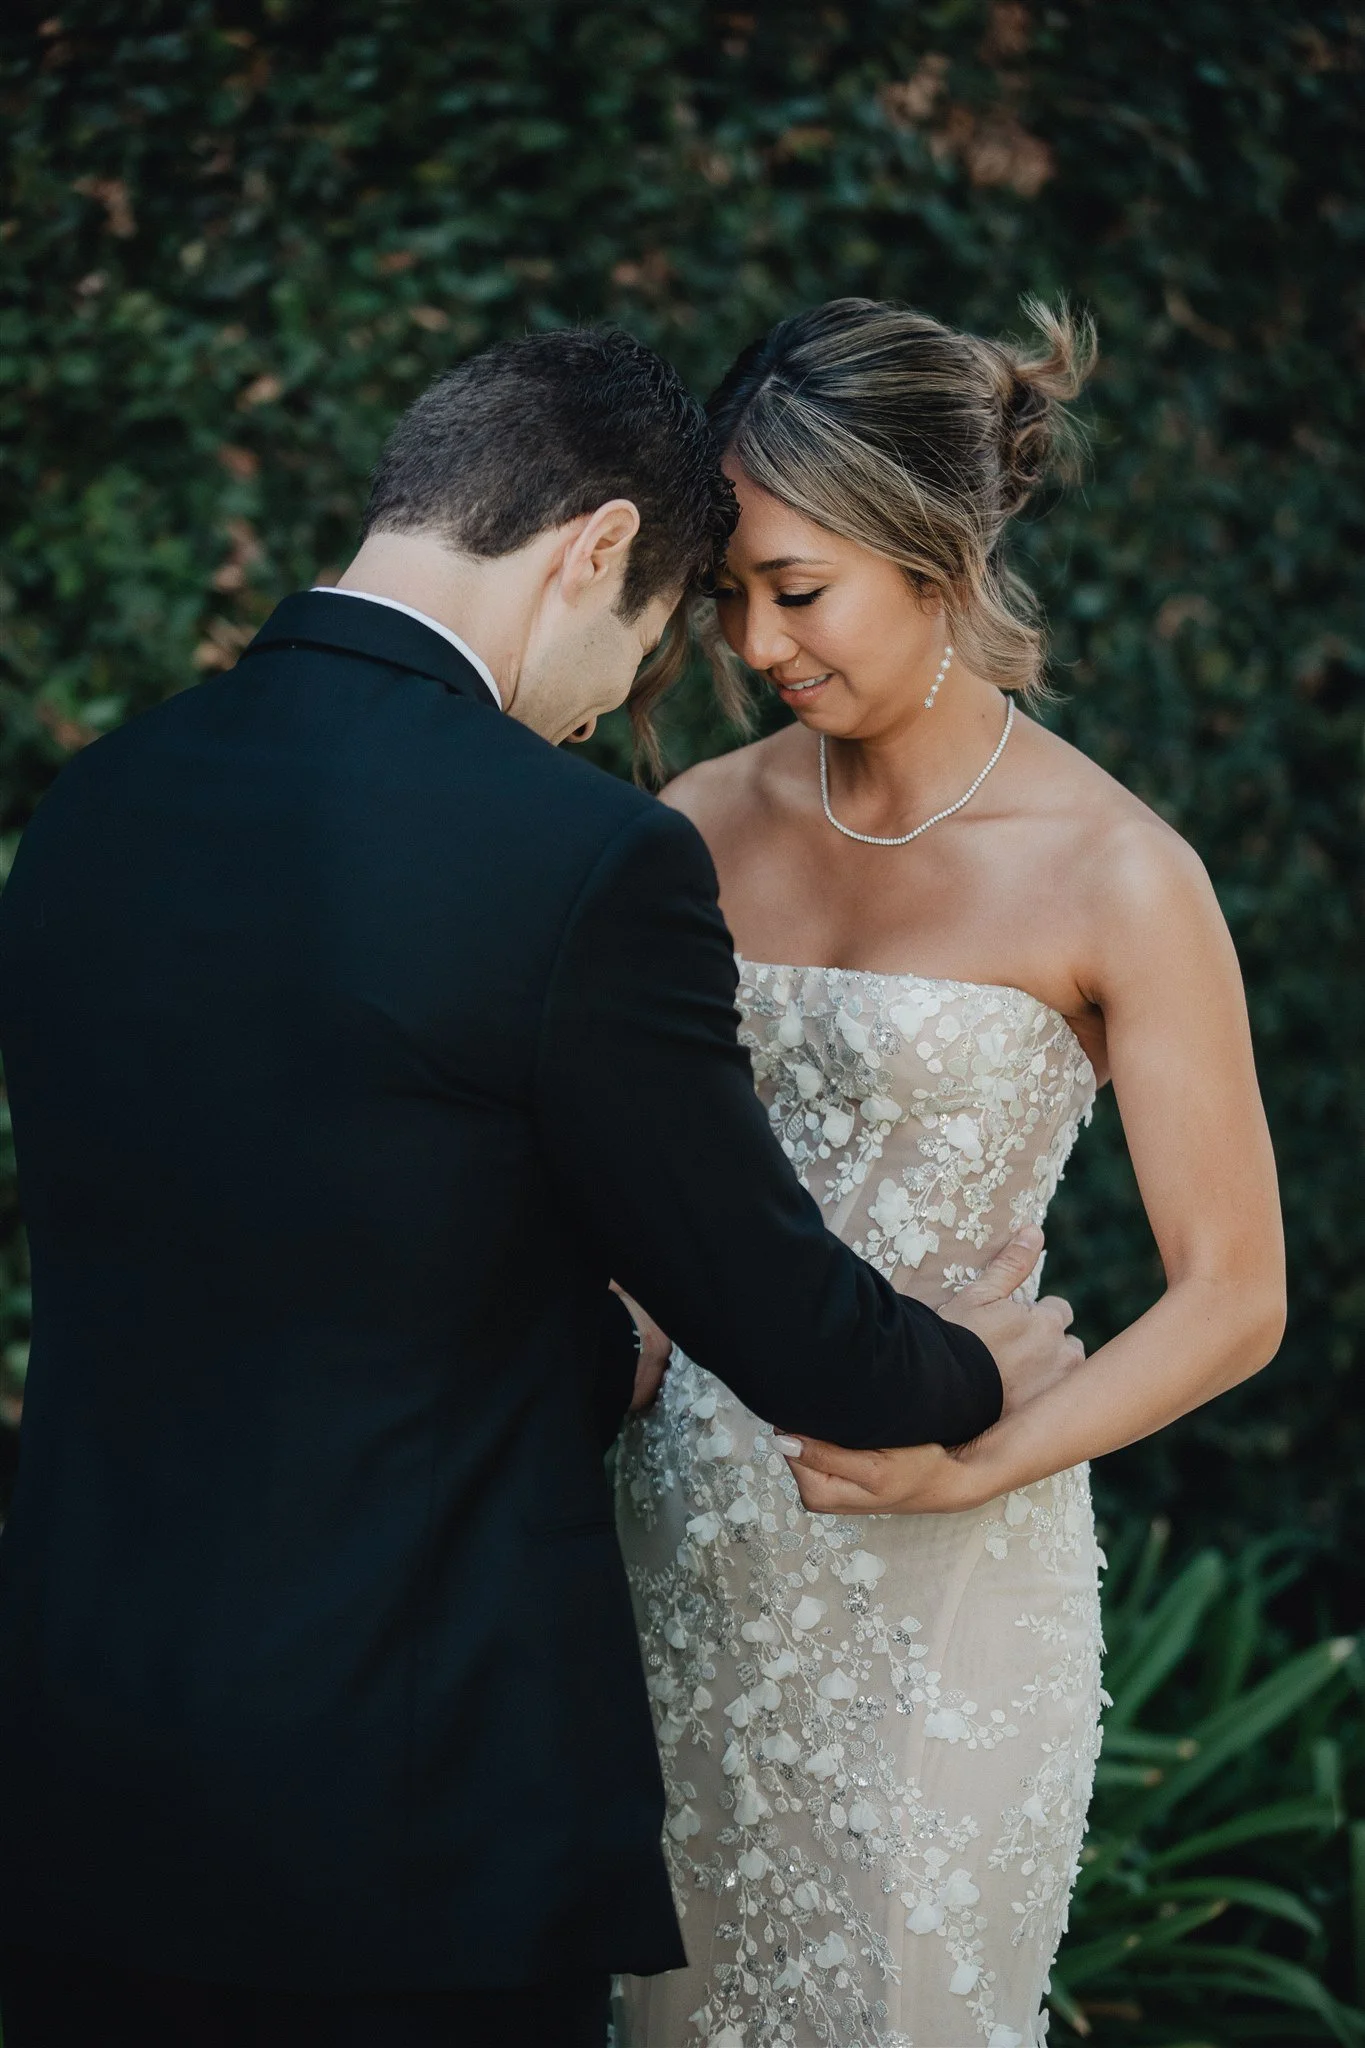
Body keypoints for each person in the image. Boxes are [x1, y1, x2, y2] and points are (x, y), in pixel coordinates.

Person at [0, 327, 1077, 2048]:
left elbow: (289, 1255)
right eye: (648, 639)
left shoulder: (95, 807)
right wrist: (976, 1370)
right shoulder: (575, 854)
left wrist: (595, 1356)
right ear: (591, 553)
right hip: (406, 1833)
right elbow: (788, 1326)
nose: (606, 709)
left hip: (79, 1790)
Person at [615, 298, 1286, 2048]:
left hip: (955, 1561)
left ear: (938, 555)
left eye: (799, 587)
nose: (756, 638)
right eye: (732, 592)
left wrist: (970, 1462)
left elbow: (1235, 1295)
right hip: (680, 1553)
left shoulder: (1117, 871)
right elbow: (623, 1189)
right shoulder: (685, 827)